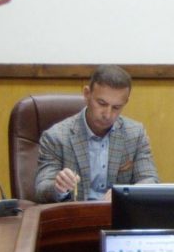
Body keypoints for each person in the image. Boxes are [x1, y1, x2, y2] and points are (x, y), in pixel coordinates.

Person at [34, 65, 159, 203]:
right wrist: (58, 187)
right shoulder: (56, 137)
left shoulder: (135, 134)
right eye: (102, 104)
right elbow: (41, 189)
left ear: (125, 102)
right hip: (75, 213)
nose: (107, 114)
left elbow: (150, 179)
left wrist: (125, 193)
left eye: (116, 107)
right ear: (87, 94)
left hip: (118, 214)